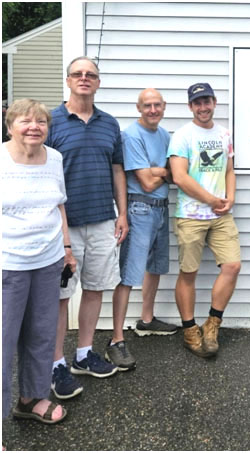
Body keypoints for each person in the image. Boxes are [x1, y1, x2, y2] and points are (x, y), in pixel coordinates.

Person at [45, 56, 128, 399]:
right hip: (62, 226)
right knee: (60, 297)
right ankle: (56, 364)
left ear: (98, 82)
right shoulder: (50, 121)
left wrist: (122, 213)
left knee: (95, 288)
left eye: (90, 75)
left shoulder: (109, 124)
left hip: (102, 222)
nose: (84, 78)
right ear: (68, 80)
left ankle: (83, 354)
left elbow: (118, 171)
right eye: (78, 74)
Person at [2, 99, 76, 428]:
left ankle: (30, 397)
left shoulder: (55, 158)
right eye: (25, 121)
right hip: (8, 263)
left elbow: (58, 205)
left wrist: (67, 248)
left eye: (41, 121)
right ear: (9, 126)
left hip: (48, 260)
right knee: (3, 341)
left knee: (41, 334)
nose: (34, 126)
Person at [106, 88, 177, 371]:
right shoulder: (130, 135)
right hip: (140, 208)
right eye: (147, 105)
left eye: (157, 104)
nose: (152, 110)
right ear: (138, 108)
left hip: (161, 208)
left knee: (155, 267)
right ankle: (116, 340)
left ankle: (146, 320)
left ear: (164, 107)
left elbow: (172, 172)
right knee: (129, 274)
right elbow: (146, 183)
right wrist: (163, 173)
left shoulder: (165, 135)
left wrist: (156, 170)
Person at [168, 82, 241, 358]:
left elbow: (230, 169)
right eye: (197, 103)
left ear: (214, 103)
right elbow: (180, 177)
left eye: (207, 101)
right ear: (190, 106)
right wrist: (211, 200)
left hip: (221, 215)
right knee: (189, 273)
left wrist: (229, 197)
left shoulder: (224, 134)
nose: (203, 107)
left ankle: (212, 323)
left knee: (232, 266)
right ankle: (189, 329)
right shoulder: (183, 136)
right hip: (191, 215)